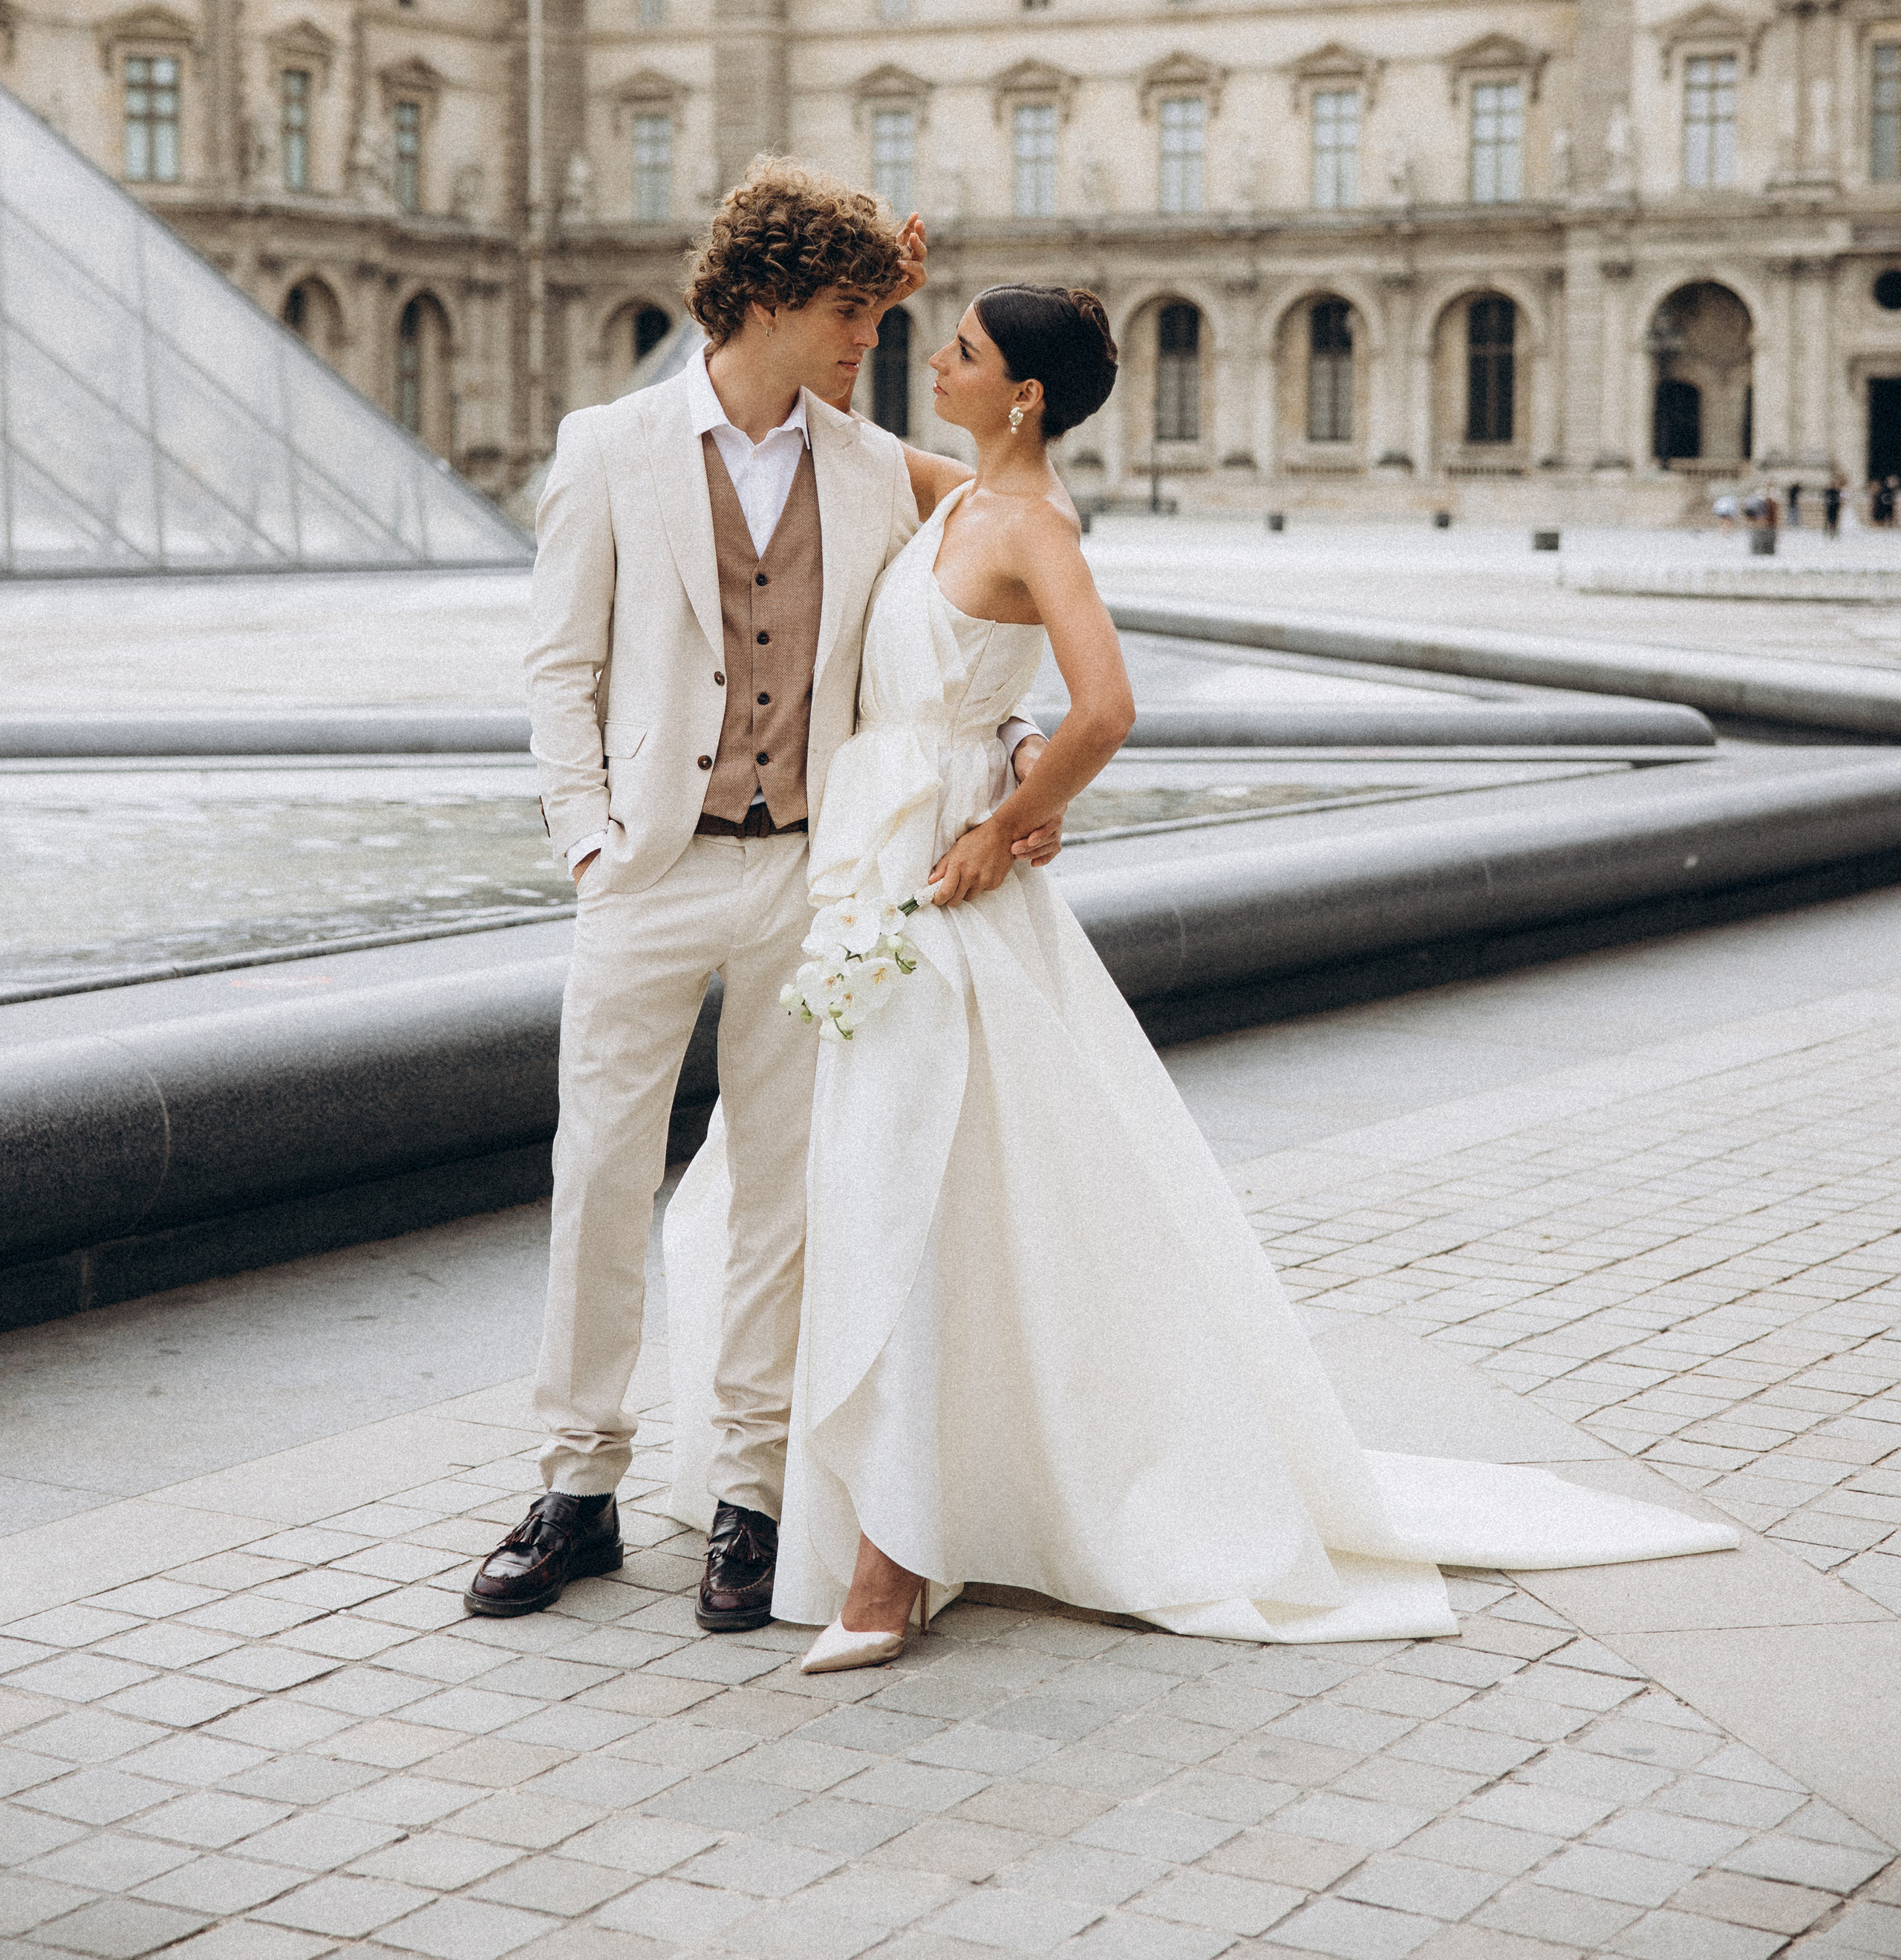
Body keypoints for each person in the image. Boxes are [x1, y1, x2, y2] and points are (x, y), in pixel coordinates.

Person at [665, 284, 1737, 1663]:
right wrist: (862, 277)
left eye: (963, 350)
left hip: (934, 886)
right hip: (876, 865)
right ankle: (892, 1512)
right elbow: (817, 423)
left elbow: (1109, 703)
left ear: (1027, 396)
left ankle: (892, 1558)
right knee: (881, 1192)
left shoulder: (1033, 527)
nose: (933, 359)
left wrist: (1005, 820)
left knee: (903, 1204)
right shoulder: (953, 492)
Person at [466, 165, 1052, 1633]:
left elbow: (1012, 541)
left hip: (810, 870)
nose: (874, 338)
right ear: (772, 304)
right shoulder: (607, 449)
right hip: (648, 872)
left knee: (783, 1192)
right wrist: (586, 837)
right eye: (854, 314)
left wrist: (1020, 741)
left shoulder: (868, 466)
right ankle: (575, 1488)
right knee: (600, 1175)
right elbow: (557, 667)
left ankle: (747, 1494)